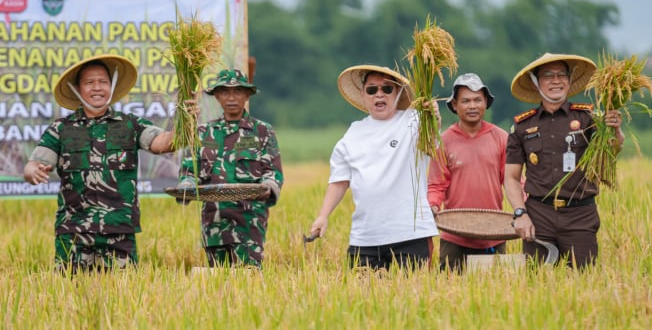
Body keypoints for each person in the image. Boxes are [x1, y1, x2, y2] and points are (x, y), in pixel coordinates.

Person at [23, 54, 198, 273]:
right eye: (89, 82)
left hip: (119, 231)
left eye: (103, 82)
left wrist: (186, 118)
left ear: (112, 86)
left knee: (122, 300)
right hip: (74, 232)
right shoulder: (60, 129)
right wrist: (33, 172)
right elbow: (34, 164)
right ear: (78, 89)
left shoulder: (131, 124)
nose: (97, 88)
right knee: (69, 298)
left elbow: (165, 143)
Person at [309, 65, 439, 271]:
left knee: (415, 296)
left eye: (387, 89)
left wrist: (433, 119)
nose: (379, 94)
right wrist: (323, 215)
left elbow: (431, 143)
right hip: (366, 236)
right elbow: (340, 180)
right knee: (364, 298)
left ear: (397, 93)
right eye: (372, 90)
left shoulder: (413, 121)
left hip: (411, 233)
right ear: (363, 95)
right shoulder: (353, 134)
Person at [504, 53, 624, 269]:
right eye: (548, 76)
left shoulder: (590, 119)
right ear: (536, 82)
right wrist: (520, 213)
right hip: (538, 215)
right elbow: (511, 178)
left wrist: (615, 130)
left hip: (580, 215)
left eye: (561, 75)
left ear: (569, 80)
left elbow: (610, 154)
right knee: (535, 286)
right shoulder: (522, 126)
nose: (556, 81)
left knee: (583, 284)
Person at [178, 68, 283, 268]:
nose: (231, 97)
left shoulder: (262, 131)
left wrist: (268, 186)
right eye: (225, 92)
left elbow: (273, 171)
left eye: (238, 91)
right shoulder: (203, 132)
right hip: (214, 222)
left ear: (247, 95)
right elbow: (189, 170)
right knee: (217, 285)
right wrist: (187, 184)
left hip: (249, 223)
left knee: (248, 281)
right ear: (217, 96)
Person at [427, 73, 509, 272]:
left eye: (477, 100)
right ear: (455, 105)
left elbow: (513, 181)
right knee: (451, 293)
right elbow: (437, 184)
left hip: (493, 234)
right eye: (465, 101)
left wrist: (525, 210)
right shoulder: (444, 141)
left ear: (485, 103)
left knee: (497, 293)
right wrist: (433, 205)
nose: (472, 106)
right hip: (454, 235)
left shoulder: (501, 138)